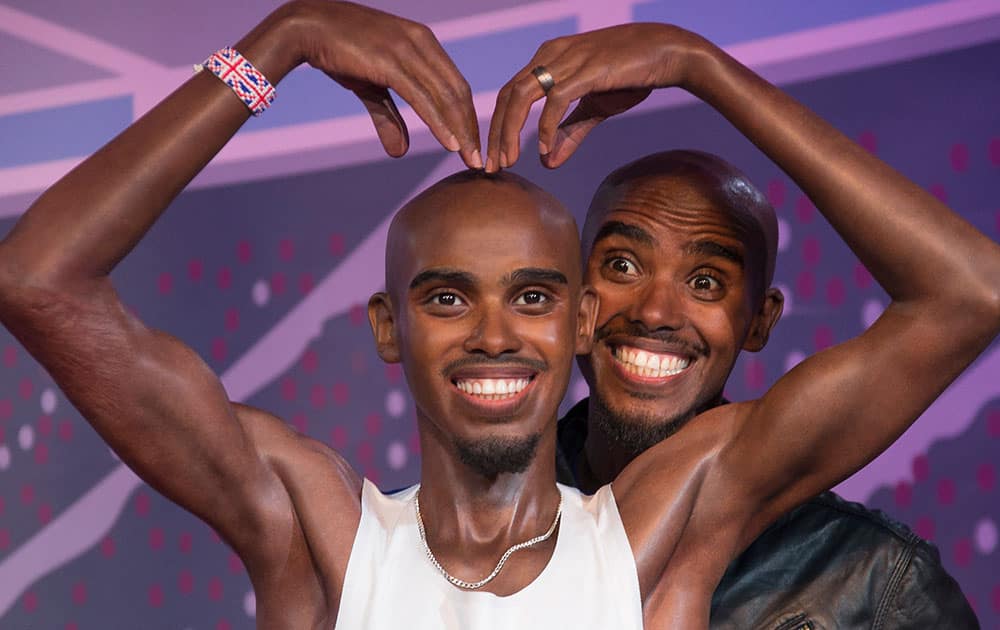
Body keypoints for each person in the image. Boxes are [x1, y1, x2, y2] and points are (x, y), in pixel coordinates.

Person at [0, 2, 996, 628]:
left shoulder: (669, 532)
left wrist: (704, 66)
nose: (491, 333)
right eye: (445, 299)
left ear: (577, 324)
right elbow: (40, 281)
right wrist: (280, 42)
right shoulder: (311, 534)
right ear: (388, 329)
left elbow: (969, 295)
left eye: (531, 297)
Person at [484, 21, 998, 628]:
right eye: (623, 264)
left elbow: (976, 293)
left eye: (706, 282)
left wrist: (697, 64)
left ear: (759, 321)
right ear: (574, 300)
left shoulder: (875, 583)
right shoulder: (461, 536)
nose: (654, 312)